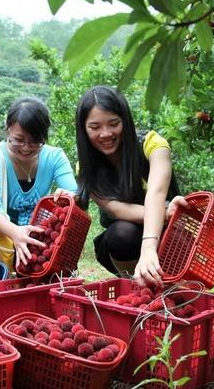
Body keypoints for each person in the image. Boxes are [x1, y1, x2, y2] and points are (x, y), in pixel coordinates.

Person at [75, 85, 188, 286]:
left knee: (176, 284)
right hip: (127, 243)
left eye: (113, 123)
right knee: (121, 234)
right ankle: (137, 286)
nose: (105, 133)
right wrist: (165, 212)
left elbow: (156, 191)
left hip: (170, 234)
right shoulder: (86, 168)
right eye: (95, 127)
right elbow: (117, 210)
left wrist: (149, 247)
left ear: (125, 120)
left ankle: (172, 285)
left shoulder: (152, 145)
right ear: (83, 129)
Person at [0, 97, 78, 270]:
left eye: (35, 141)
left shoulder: (54, 157)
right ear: (8, 129)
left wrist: (70, 196)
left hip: (38, 244)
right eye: (19, 139)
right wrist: (15, 233)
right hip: (1, 240)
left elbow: (73, 192)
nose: (26, 147)